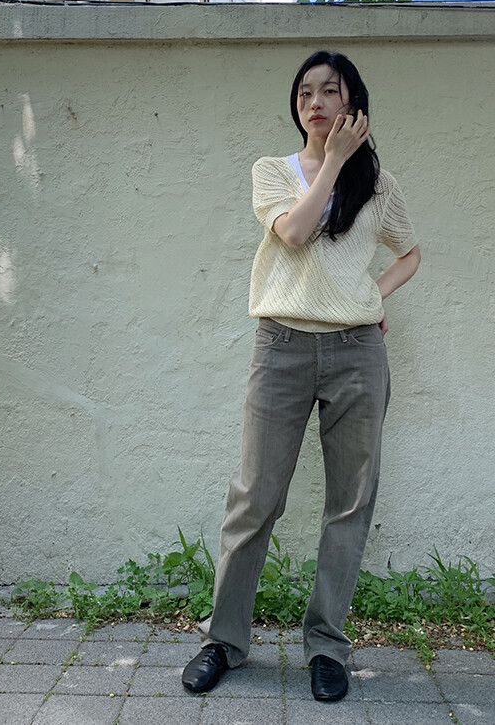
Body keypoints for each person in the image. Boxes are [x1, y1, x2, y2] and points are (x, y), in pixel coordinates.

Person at [181, 50, 421, 702]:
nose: (315, 102)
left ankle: (327, 646)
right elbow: (293, 233)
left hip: (356, 352)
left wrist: (373, 295)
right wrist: (334, 161)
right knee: (254, 496)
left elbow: (410, 252)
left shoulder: (380, 186)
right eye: (305, 92)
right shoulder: (273, 171)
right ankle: (224, 640)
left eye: (330, 91)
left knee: (350, 502)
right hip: (281, 346)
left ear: (353, 103)